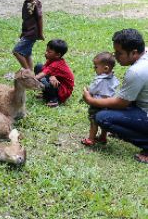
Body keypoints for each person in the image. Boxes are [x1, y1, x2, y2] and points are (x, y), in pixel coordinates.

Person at [83, 29, 148, 164]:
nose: (116, 57)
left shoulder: (136, 71)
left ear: (134, 52)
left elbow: (121, 103)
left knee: (102, 117)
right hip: (141, 106)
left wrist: (91, 100)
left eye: (119, 53)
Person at [81, 52, 120, 147]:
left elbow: (92, 90)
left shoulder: (100, 80)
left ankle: (90, 139)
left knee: (93, 121)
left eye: (96, 67)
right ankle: (103, 137)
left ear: (105, 68)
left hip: (97, 104)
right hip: (108, 103)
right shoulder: (113, 77)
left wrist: (87, 90)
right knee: (104, 123)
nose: (94, 69)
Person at [12, 0, 44, 70]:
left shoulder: (35, 3)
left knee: (16, 51)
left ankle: (27, 72)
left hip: (31, 33)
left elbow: (40, 18)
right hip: (27, 32)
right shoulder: (27, 1)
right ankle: (31, 74)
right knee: (27, 54)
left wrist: (40, 33)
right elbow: (27, 20)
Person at [34, 39, 75, 108]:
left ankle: (54, 99)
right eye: (46, 50)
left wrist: (30, 80)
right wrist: (52, 75)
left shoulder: (57, 64)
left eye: (49, 52)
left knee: (48, 80)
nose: (45, 53)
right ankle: (46, 94)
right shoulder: (51, 60)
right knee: (38, 67)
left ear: (58, 55)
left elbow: (42, 75)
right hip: (59, 84)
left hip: (63, 91)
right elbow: (44, 69)